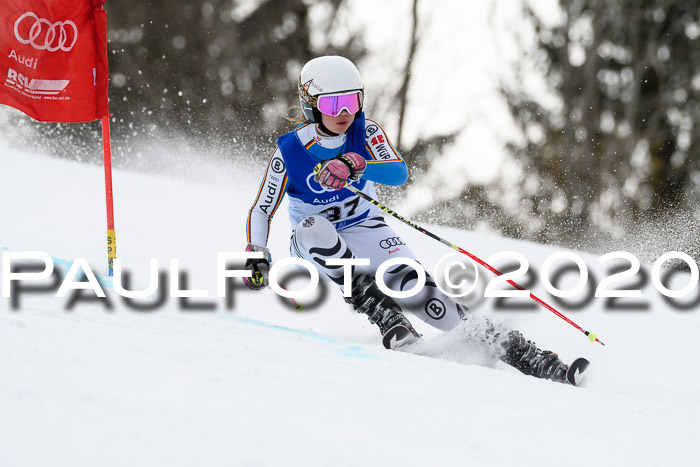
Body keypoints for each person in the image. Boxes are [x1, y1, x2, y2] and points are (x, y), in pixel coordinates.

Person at [243, 55, 575, 384]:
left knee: (426, 296)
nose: (345, 113)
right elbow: (261, 209)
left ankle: (532, 358)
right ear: (311, 105)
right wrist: (258, 254)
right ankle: (385, 315)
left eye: (353, 100)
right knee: (313, 228)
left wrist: (357, 165)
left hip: (366, 228)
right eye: (333, 105)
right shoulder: (289, 152)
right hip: (314, 243)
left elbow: (398, 172)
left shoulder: (366, 131)